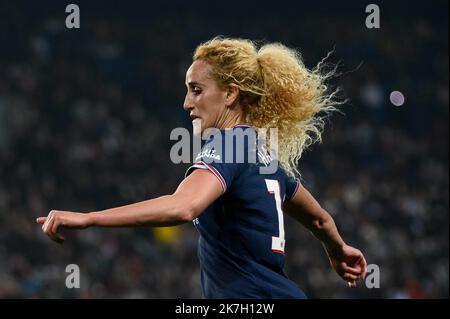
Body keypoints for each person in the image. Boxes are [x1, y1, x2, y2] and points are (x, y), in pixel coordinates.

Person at [36, 37, 367, 298]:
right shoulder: (263, 153)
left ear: (230, 94)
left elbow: (184, 206)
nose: (186, 102)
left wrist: (91, 218)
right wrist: (338, 250)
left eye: (196, 90)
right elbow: (320, 219)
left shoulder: (231, 145)